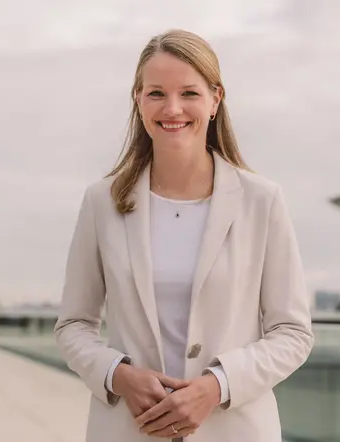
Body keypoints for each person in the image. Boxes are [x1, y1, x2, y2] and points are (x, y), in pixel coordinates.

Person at [54, 29, 313, 442]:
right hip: (128, 430)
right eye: (156, 93)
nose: (172, 108)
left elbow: (293, 333)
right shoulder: (101, 202)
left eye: (189, 93)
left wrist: (217, 386)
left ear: (215, 100)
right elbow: (73, 324)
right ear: (138, 100)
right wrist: (118, 376)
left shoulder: (262, 201)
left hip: (234, 430)